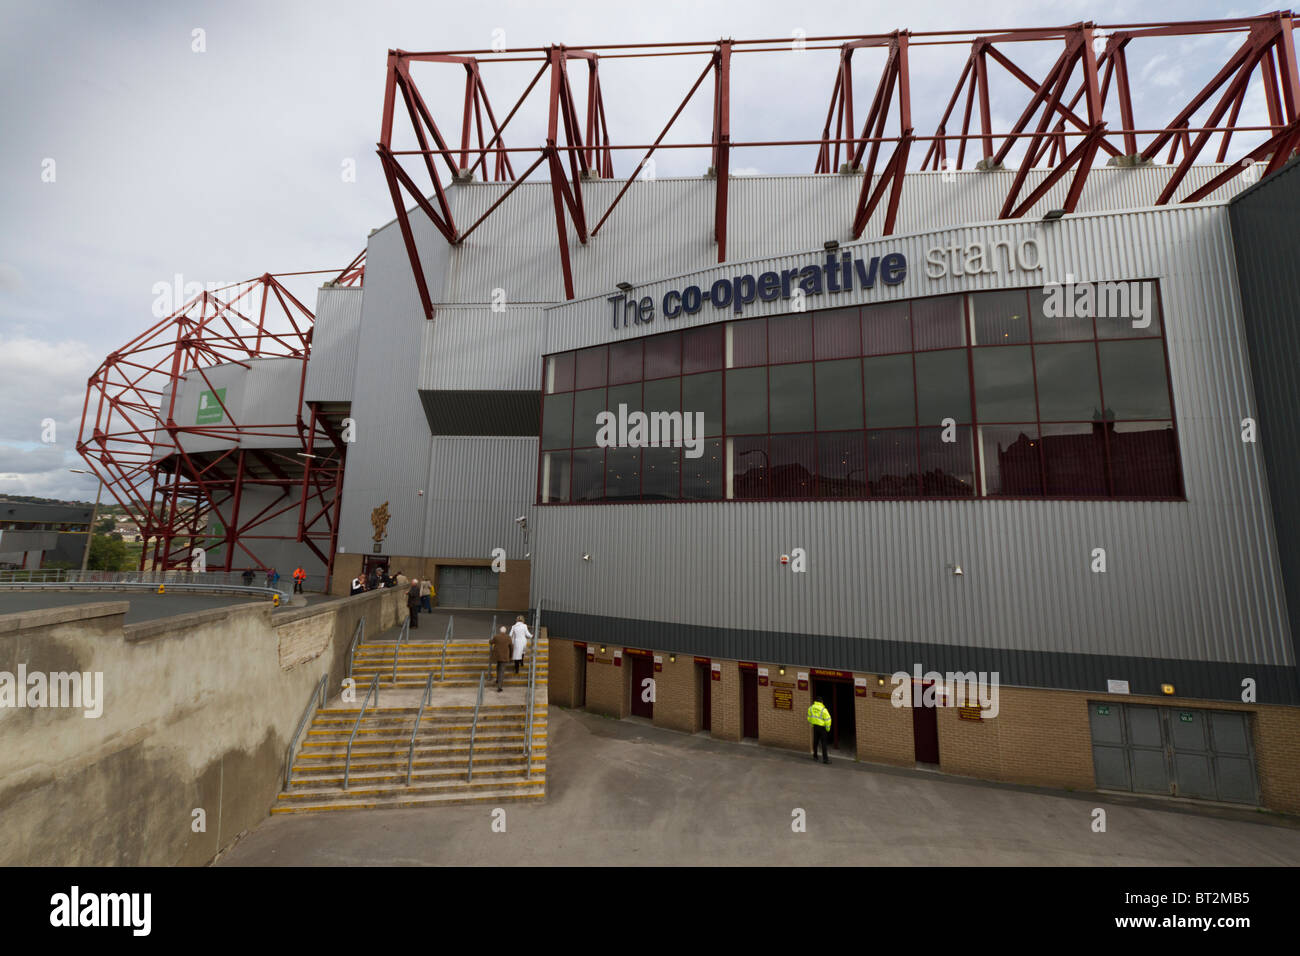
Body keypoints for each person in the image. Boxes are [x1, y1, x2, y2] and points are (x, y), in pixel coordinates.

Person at [807, 695, 832, 764]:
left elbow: (809, 718)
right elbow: (828, 720)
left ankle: (815, 756)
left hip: (815, 727)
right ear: (821, 701)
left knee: (815, 742)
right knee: (824, 743)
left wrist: (812, 724)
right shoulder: (823, 710)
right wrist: (827, 728)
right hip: (822, 728)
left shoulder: (811, 708)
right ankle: (825, 759)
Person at [489, 625, 511, 692]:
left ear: (500, 631)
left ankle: (497, 679)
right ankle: (499, 686)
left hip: (497, 656)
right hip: (504, 656)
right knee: (502, 670)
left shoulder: (496, 637)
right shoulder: (508, 637)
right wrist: (511, 655)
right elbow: (511, 646)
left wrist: (490, 640)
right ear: (505, 631)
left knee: (498, 667)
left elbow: (491, 642)